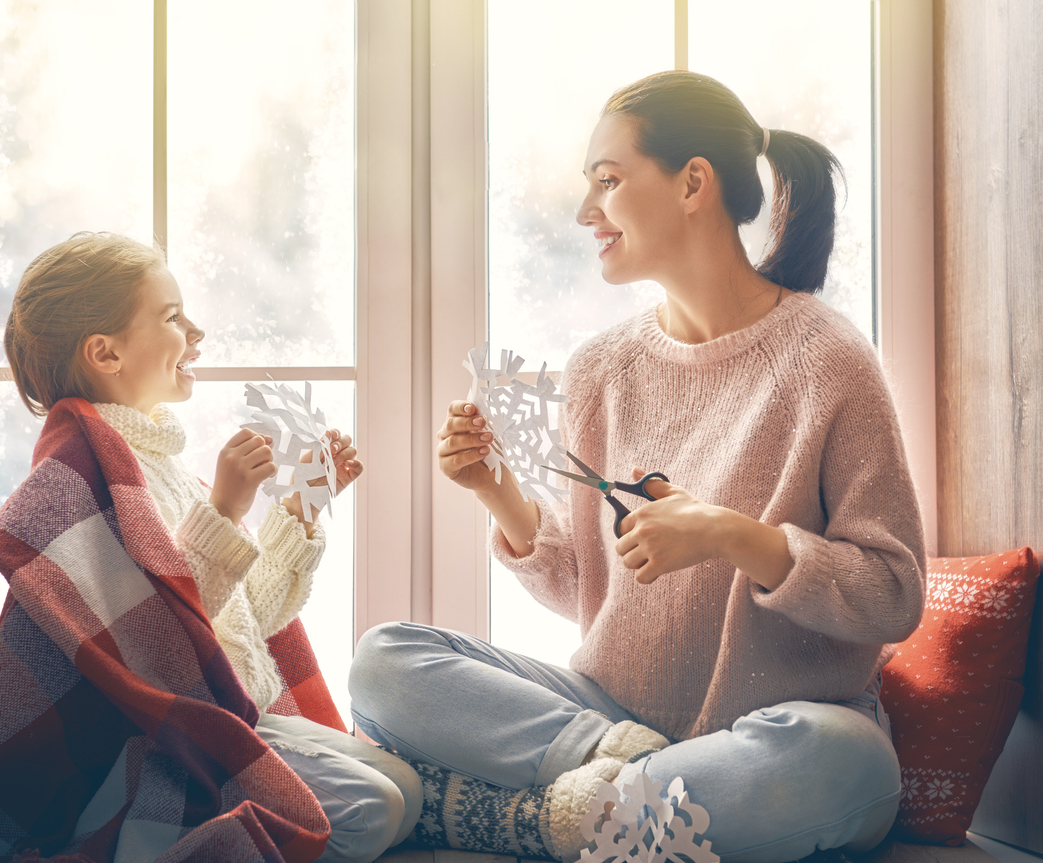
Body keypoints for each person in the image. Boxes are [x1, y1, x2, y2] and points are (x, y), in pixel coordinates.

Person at [349, 71, 926, 863]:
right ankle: (611, 797)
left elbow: (893, 595)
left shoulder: (829, 360)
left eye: (609, 182)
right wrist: (500, 494)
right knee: (386, 658)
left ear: (694, 182)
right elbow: (586, 587)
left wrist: (729, 535)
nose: (588, 212)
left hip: (773, 733)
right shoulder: (602, 369)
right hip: (603, 715)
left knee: (848, 760)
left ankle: (525, 814)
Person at [0, 232, 420, 863]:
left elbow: (233, 630)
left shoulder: (156, 463)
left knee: (402, 789)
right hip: (155, 744)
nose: (195, 332)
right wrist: (223, 511)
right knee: (372, 808)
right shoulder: (76, 475)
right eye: (171, 317)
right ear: (105, 353)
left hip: (231, 716)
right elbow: (157, 645)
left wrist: (300, 509)